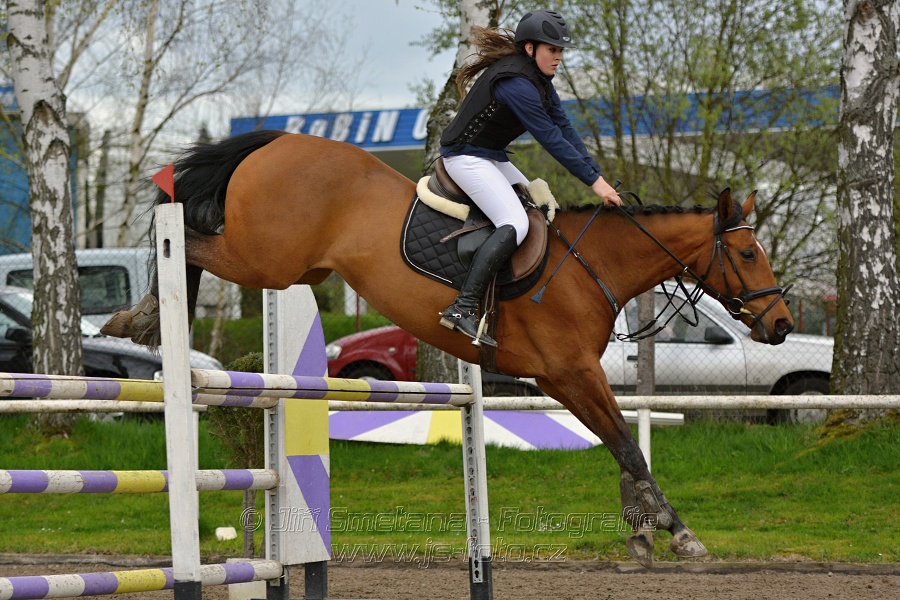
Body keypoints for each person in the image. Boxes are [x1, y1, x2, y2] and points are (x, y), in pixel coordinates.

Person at [437, 9, 623, 348]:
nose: (559, 57)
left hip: (488, 156)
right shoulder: (517, 85)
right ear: (529, 48)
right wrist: (595, 185)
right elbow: (551, 139)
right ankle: (461, 307)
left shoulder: (540, 80)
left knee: (538, 206)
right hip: (464, 157)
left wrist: (599, 177)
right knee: (516, 222)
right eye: (553, 49)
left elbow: (565, 129)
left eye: (561, 50)